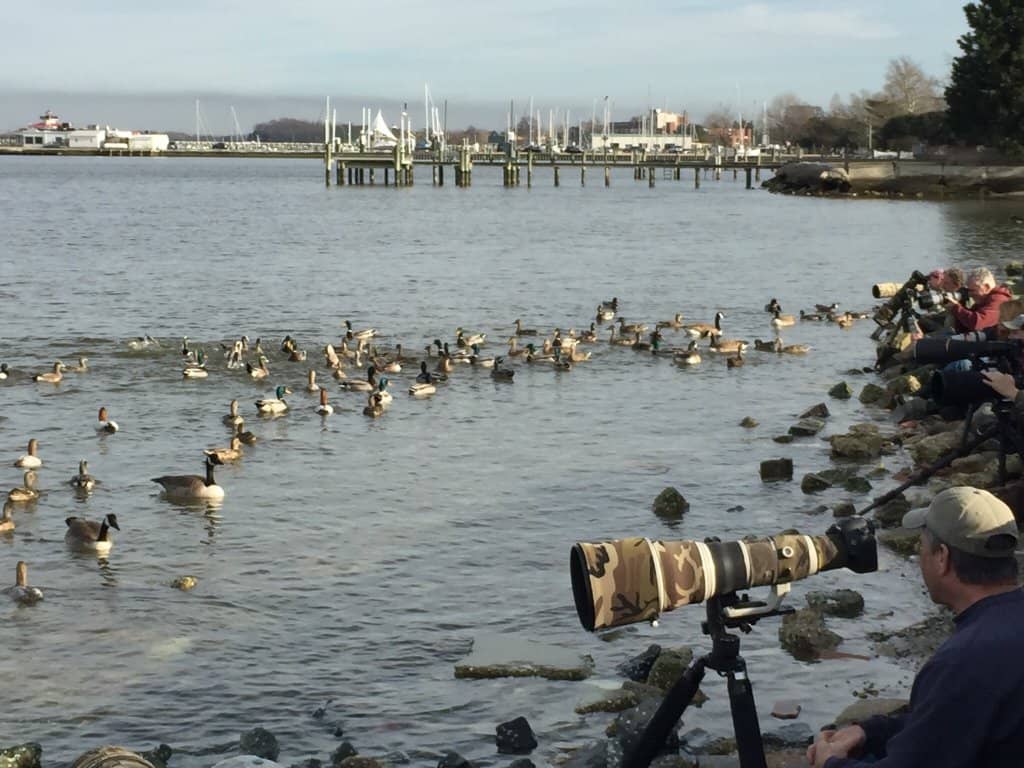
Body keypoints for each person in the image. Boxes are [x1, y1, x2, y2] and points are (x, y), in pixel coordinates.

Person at [807, 486, 1023, 767]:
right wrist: (868, 732)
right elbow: (951, 720)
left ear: (942, 557)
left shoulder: (962, 662)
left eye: (921, 545)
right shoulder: (998, 635)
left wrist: (830, 762)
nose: (919, 555)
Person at [946, 267, 1012, 334]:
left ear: (986, 287)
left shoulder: (999, 300)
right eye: (968, 290)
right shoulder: (983, 300)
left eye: (972, 290)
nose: (970, 294)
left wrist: (956, 308)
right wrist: (958, 307)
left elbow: (978, 324)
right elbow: (964, 328)